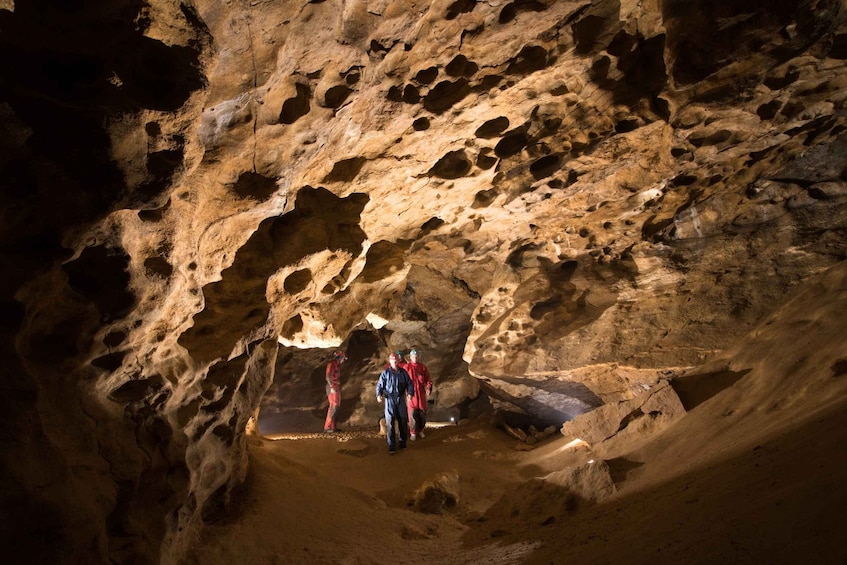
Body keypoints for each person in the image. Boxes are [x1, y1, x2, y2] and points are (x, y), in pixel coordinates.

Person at [376, 352, 414, 454]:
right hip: (390, 400)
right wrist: (379, 394)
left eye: (396, 358)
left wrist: (410, 393)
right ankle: (391, 445)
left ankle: (402, 442)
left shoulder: (403, 372)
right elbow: (380, 385)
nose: (394, 360)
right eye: (392, 359)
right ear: (390, 360)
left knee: (403, 420)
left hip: (400, 398)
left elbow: (410, 383)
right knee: (390, 422)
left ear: (398, 360)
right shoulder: (386, 373)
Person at [405, 349, 433, 440]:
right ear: (410, 357)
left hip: (421, 394)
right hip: (411, 394)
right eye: (413, 356)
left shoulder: (422, 367)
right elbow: (403, 381)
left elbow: (428, 379)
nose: (415, 358)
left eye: (416, 356)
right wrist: (406, 392)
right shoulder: (407, 367)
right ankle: (413, 432)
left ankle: (420, 430)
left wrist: (428, 388)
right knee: (412, 414)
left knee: (422, 413)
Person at [324, 350, 346, 433]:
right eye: (343, 358)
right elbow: (329, 375)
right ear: (339, 357)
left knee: (337, 407)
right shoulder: (332, 364)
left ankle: (333, 427)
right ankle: (327, 427)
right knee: (333, 406)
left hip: (336, 386)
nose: (343, 360)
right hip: (332, 387)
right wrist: (331, 386)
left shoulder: (336, 365)